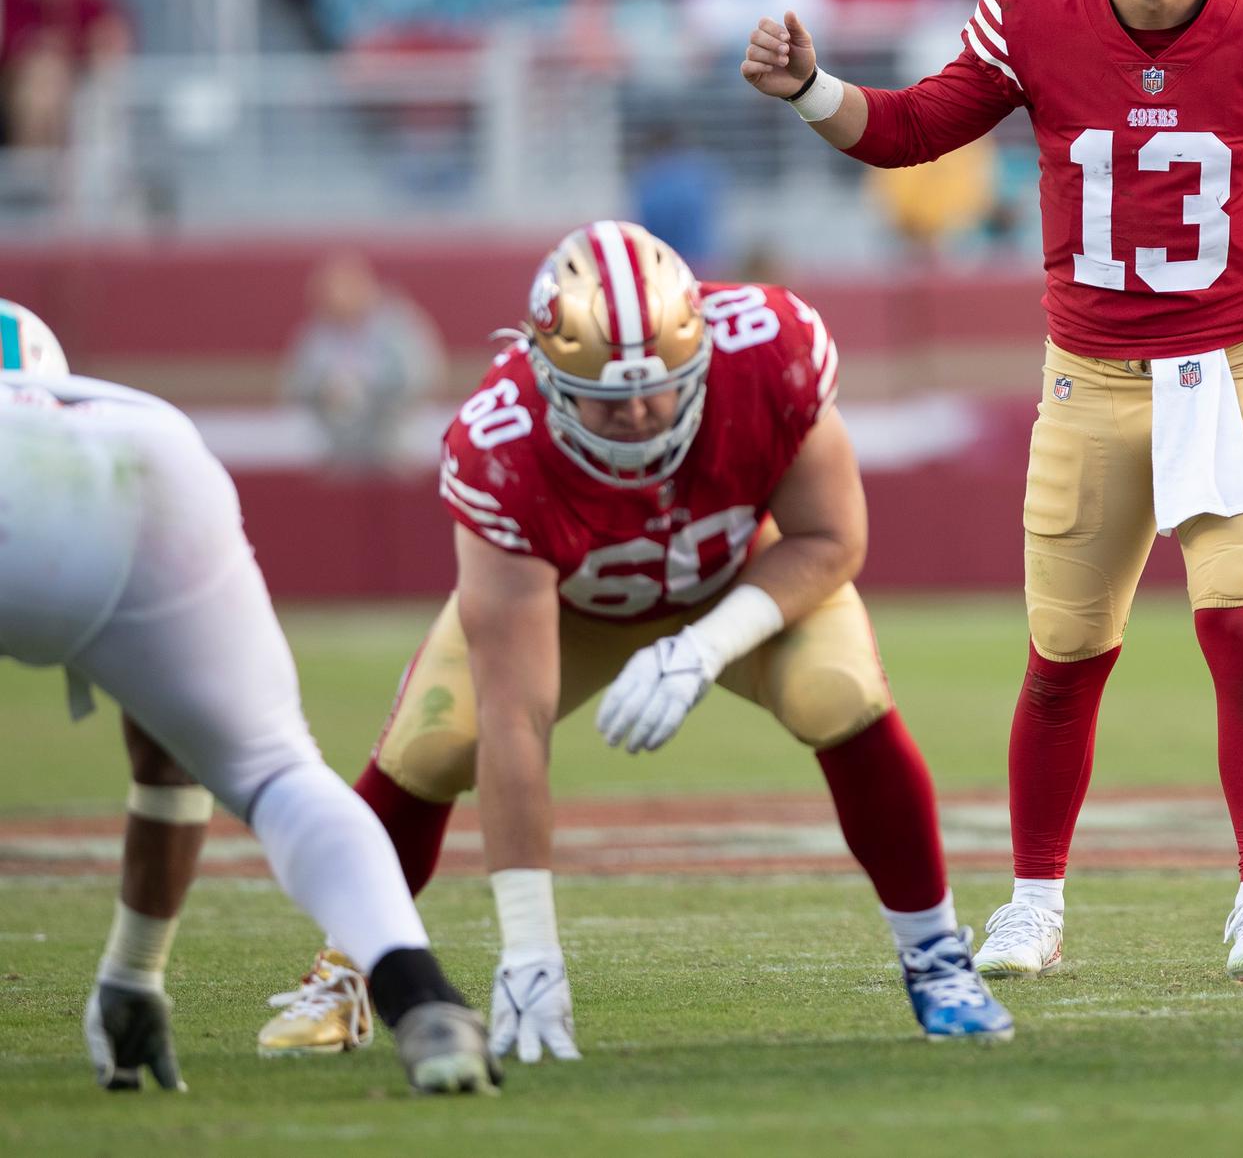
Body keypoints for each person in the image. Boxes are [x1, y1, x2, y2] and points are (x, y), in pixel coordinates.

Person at [744, 0, 1243, 981]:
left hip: (1227, 372)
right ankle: (1034, 900)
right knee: (1065, 656)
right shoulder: (1031, 14)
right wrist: (809, 93)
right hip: (1088, 382)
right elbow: (913, 130)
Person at [257, 222, 1011, 1057]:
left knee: (838, 691)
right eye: (607, 402)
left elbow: (833, 542)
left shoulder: (771, 349)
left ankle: (937, 958)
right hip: (573, 603)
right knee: (436, 744)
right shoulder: (500, 444)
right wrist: (529, 949)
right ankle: (347, 970)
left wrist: (706, 645)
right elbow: (516, 717)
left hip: (738, 575)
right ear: (546, 373)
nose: (642, 416)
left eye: (661, 389)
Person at [0, 299, 496, 1096]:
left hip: (135, 459)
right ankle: (424, 1003)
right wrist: (132, 972)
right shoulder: (103, 403)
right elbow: (167, 754)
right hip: (150, 455)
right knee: (275, 773)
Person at [282, 251, 443, 471]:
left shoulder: (396, 324)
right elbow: (295, 383)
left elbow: (421, 376)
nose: (339, 297)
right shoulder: (318, 333)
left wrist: (368, 388)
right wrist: (326, 390)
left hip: (393, 443)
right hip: (337, 447)